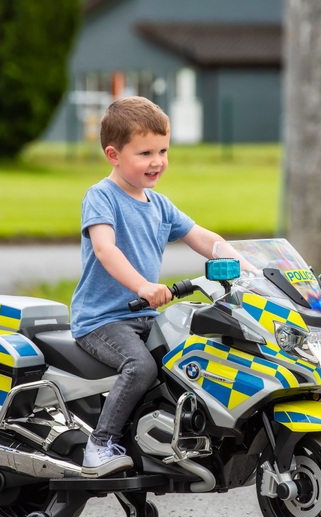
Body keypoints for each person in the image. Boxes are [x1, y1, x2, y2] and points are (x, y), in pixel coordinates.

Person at [70, 96, 225, 478]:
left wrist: (248, 266)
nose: (157, 161)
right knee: (139, 366)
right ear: (114, 154)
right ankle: (100, 444)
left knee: (192, 357)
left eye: (163, 150)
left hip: (146, 316)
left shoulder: (159, 204)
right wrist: (143, 285)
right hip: (102, 319)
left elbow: (203, 238)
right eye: (145, 153)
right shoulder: (101, 197)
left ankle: (165, 445)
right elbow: (106, 250)